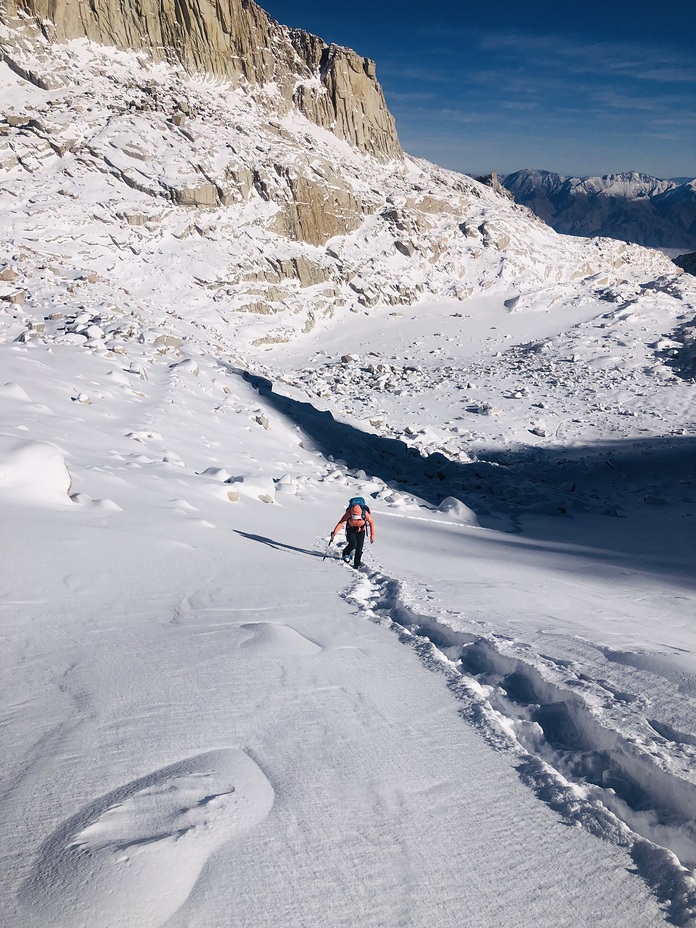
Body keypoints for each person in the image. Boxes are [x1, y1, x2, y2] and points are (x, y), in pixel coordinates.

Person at [331, 500, 375, 569]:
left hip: (361, 530)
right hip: (351, 529)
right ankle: (346, 553)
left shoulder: (365, 513)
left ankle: (356, 565)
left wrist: (372, 536)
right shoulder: (349, 513)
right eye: (354, 517)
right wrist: (334, 532)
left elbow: (371, 523)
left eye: (357, 517)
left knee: (359, 548)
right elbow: (341, 522)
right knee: (353, 544)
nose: (355, 518)